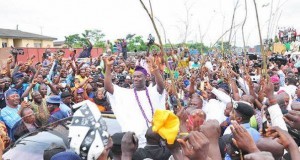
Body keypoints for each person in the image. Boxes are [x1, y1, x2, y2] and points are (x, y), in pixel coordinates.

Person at [104, 55, 165, 147]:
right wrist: (108, 67)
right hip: (134, 140)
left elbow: (161, 87)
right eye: (134, 77)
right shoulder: (126, 93)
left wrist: (155, 70)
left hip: (154, 139)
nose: (136, 79)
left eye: (139, 77)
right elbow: (108, 87)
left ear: (146, 77)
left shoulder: (152, 91)